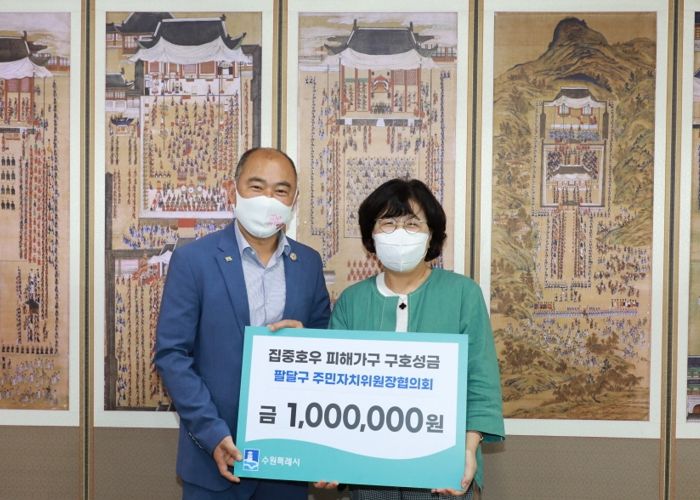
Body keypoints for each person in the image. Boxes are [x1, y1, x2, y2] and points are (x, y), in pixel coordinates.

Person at [155, 147, 331, 500]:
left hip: (286, 462)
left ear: (294, 200)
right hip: (214, 457)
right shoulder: (194, 260)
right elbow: (172, 355)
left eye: (281, 190)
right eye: (257, 186)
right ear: (231, 190)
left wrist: (308, 343)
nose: (268, 199)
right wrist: (213, 433)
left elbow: (326, 347)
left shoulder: (309, 263)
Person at [322, 178, 504, 499]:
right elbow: (331, 387)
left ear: (431, 234)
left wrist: (467, 449)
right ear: (371, 235)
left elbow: (481, 383)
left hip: (442, 468)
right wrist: (327, 454)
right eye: (388, 223)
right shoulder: (352, 301)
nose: (400, 233)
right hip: (369, 470)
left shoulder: (463, 294)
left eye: (412, 224)